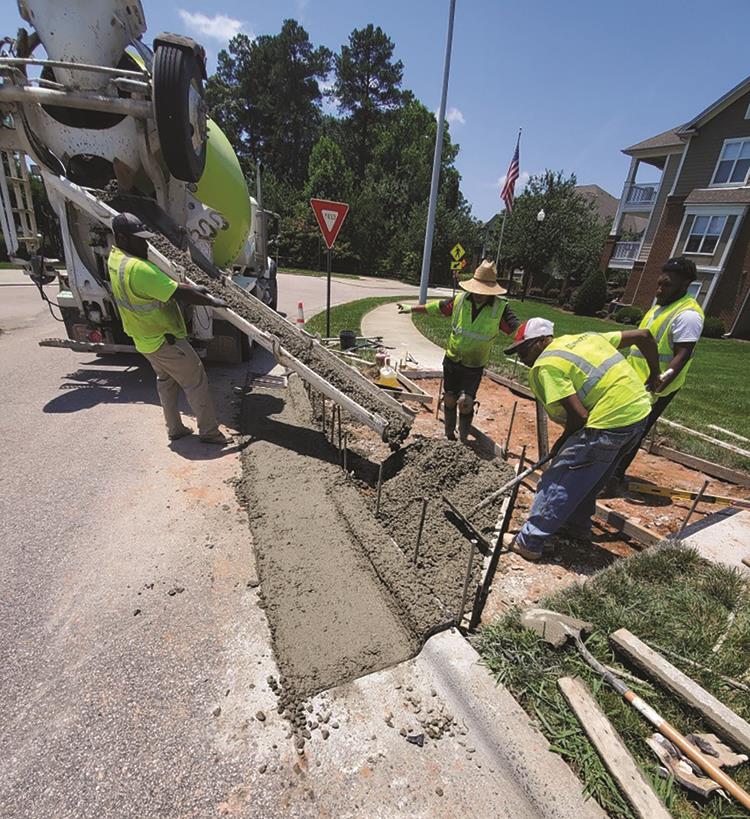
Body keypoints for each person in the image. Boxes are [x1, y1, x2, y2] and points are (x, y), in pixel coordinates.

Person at [502, 317, 661, 561]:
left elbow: (579, 416)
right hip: (637, 414)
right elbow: (644, 336)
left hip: (608, 421)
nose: (522, 357)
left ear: (544, 340)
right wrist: (654, 376)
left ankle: (530, 541)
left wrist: (563, 443)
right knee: (591, 476)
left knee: (560, 478)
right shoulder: (587, 338)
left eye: (525, 348)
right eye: (518, 351)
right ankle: (576, 526)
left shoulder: (547, 364)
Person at [107, 212, 229, 444]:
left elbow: (164, 286)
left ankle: (175, 429)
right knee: (195, 379)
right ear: (122, 238)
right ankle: (210, 433)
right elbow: (177, 292)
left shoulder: (116, 259)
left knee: (166, 380)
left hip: (144, 339)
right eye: (139, 239)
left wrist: (189, 287)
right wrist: (211, 301)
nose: (145, 244)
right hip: (165, 340)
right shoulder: (138, 268)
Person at [397, 260, 519, 442]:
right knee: (449, 398)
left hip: (474, 365)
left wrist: (533, 339)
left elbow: (516, 328)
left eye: (483, 292)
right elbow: (438, 308)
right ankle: (449, 435)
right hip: (452, 360)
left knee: (465, 402)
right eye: (476, 290)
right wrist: (412, 308)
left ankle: (462, 439)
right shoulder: (461, 300)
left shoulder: (500, 308)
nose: (478, 295)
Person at [609, 256, 705, 488]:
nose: (660, 288)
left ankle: (612, 479)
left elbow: (683, 354)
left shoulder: (688, 315)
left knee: (633, 432)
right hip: (634, 380)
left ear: (684, 285)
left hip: (656, 387)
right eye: (659, 283)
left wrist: (661, 380)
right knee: (618, 426)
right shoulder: (659, 308)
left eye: (667, 285)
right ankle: (605, 471)